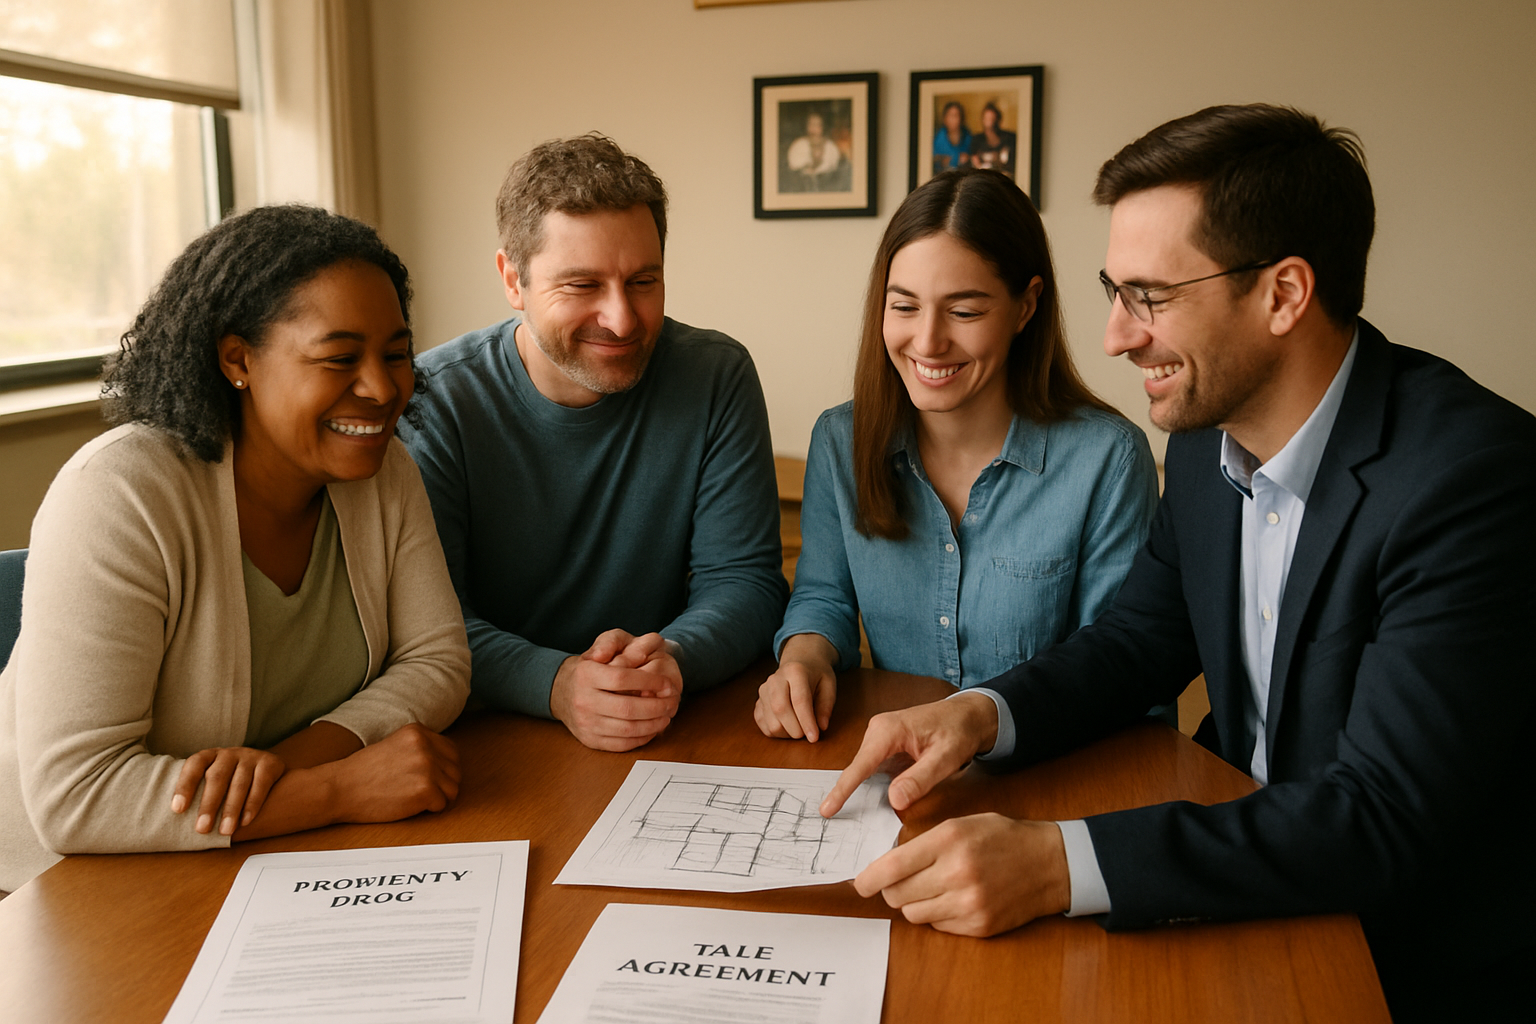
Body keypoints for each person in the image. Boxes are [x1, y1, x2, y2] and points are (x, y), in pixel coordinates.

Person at [820, 104, 1534, 1022]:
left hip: (1407, 951)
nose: (1116, 336)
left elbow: (1384, 817)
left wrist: (1058, 862)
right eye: (1115, 292)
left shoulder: (1470, 481)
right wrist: (978, 715)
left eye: (1150, 298)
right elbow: (1138, 641)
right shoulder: (1206, 442)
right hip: (1241, 888)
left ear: (1283, 294)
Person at [0, 205, 471, 894]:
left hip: (242, 863)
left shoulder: (381, 469)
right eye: (341, 358)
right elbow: (79, 797)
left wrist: (289, 762)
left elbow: (438, 660)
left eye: (395, 354)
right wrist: (338, 789)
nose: (380, 388)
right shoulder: (119, 493)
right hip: (57, 892)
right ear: (237, 360)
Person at [401, 134, 787, 752]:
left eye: (643, 281)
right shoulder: (433, 400)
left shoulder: (716, 374)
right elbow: (429, 625)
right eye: (581, 286)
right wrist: (556, 683)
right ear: (512, 279)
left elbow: (745, 581)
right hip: (490, 738)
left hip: (666, 723)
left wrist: (673, 660)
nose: (623, 319)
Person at [755, 167, 1158, 742]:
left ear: (1026, 306)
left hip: (1050, 771)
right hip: (895, 765)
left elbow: (1120, 670)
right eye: (904, 307)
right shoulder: (841, 440)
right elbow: (824, 596)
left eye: (964, 311)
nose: (927, 342)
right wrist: (804, 658)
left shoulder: (1107, 460)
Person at [784, 110, 850, 193]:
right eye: (811, 124)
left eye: (817, 125)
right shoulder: (798, 145)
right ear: (806, 126)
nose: (813, 129)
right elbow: (793, 171)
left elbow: (835, 172)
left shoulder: (831, 147)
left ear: (823, 127)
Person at [968, 103, 1018, 178]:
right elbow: (974, 160)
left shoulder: (1009, 138)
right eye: (987, 118)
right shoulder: (977, 140)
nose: (990, 121)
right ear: (983, 119)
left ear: (998, 119)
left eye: (992, 118)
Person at [931, 101, 972, 173]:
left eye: (956, 115)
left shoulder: (967, 136)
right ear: (945, 119)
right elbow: (935, 160)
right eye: (950, 115)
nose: (954, 119)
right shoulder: (938, 138)